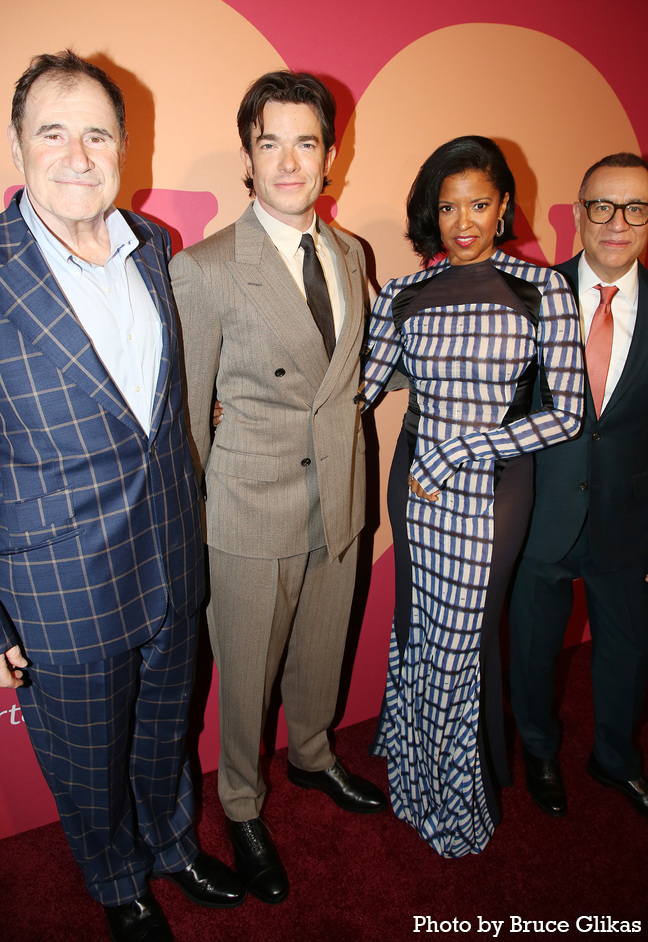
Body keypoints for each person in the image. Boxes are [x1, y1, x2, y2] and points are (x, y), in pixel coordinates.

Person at [0, 51, 245, 942]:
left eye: (96, 133)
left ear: (123, 147)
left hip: (170, 551)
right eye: (52, 132)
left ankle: (175, 845)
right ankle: (117, 885)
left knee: (164, 733)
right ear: (19, 146)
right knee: (88, 763)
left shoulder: (155, 249)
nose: (76, 153)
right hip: (59, 585)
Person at [170, 71, 386, 906]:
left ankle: (314, 754)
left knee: (321, 650)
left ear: (331, 156)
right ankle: (240, 804)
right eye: (271, 143)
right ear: (247, 160)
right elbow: (189, 417)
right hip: (250, 508)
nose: (290, 161)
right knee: (247, 675)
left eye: (307, 142)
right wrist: (191, 531)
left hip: (340, 496)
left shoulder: (350, 252)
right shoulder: (208, 268)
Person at [359, 136, 585, 857]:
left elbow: (566, 413)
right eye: (448, 206)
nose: (463, 221)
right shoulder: (404, 291)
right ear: (430, 211)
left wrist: (463, 448)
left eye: (479, 204)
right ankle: (414, 761)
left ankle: (456, 799)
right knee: (419, 623)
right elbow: (358, 393)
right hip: (415, 486)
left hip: (492, 487)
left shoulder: (539, 287)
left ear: (504, 207)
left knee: (462, 639)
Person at [509, 153, 648, 828]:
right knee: (531, 647)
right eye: (602, 206)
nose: (618, 223)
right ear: (577, 213)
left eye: (636, 208)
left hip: (630, 521)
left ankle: (615, 761)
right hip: (539, 516)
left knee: (629, 650)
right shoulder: (530, 296)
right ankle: (537, 751)